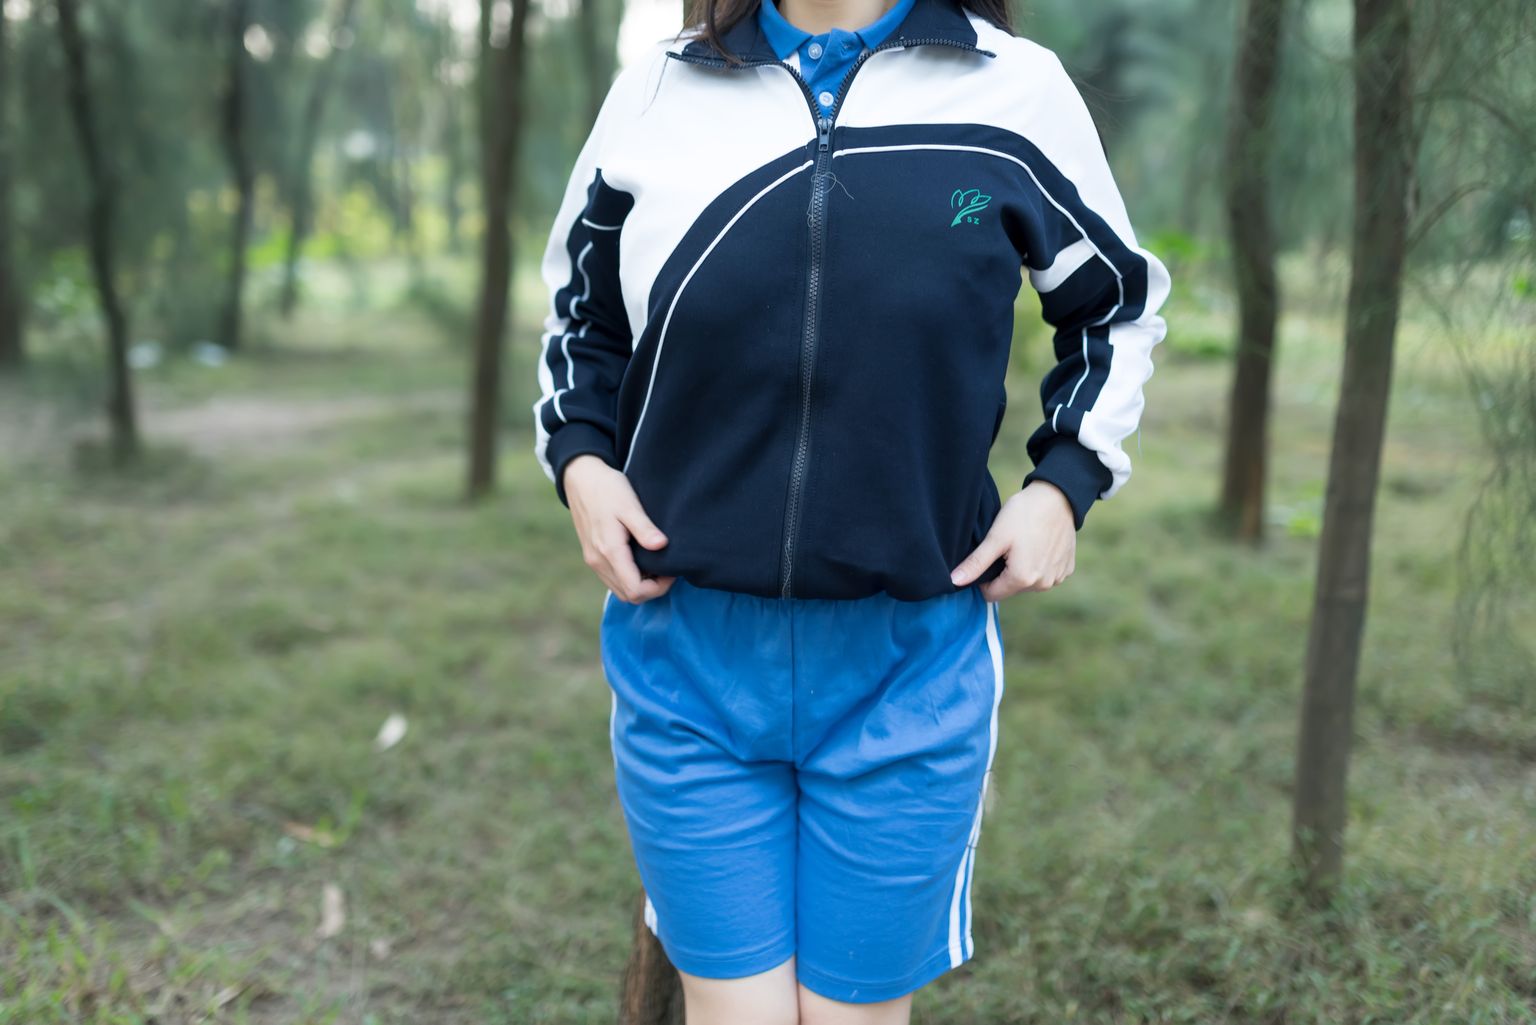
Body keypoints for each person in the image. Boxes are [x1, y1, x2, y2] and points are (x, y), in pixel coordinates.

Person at [532, 0, 1171, 1020]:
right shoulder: (659, 86)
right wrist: (581, 463)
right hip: (687, 661)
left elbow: (1114, 305)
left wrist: (1065, 480)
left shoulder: (1016, 90)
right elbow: (584, 314)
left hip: (908, 666)